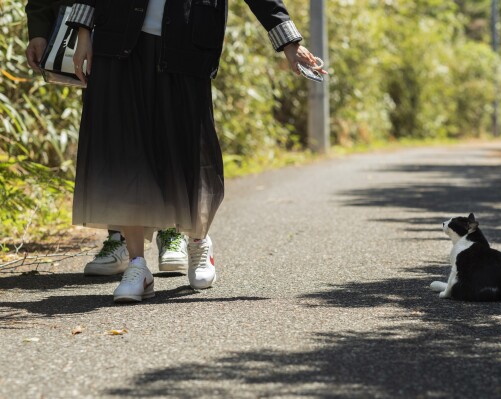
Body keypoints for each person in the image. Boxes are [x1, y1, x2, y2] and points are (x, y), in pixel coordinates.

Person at [65, 0, 326, 302]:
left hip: (188, 41)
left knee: (189, 150)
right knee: (126, 149)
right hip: (118, 35)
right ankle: (137, 266)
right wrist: (83, 31)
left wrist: (289, 42)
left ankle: (199, 242)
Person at [25, 0, 191, 277]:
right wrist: (40, 28)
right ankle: (120, 237)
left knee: (166, 127)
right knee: (115, 136)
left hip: (164, 29)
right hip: (97, 33)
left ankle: (171, 230)